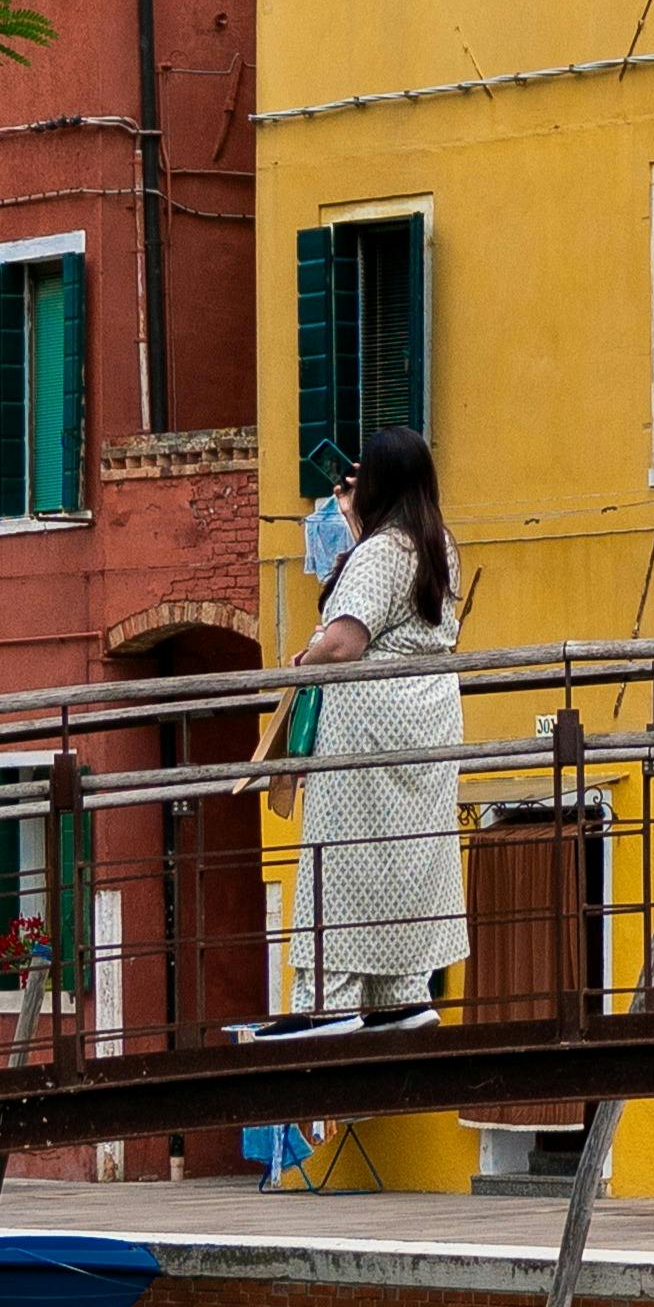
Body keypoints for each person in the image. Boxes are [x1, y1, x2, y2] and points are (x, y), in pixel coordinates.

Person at [262, 427, 468, 1039]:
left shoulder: (383, 552)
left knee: (341, 855)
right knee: (407, 853)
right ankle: (401, 992)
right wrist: (356, 525)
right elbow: (392, 603)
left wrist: (306, 659)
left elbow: (349, 639)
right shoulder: (436, 545)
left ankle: (329, 1000)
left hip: (369, 726)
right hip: (427, 718)